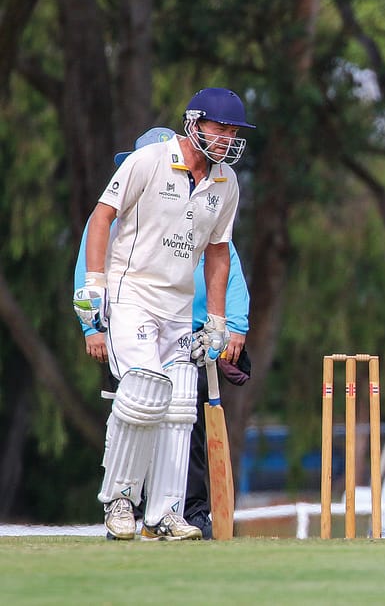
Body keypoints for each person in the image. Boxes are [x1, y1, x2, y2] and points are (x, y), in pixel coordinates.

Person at [73, 88, 254, 540]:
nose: (228, 138)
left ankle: (167, 512)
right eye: (221, 128)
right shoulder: (148, 160)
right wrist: (94, 286)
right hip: (131, 293)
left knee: (179, 406)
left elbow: (218, 253)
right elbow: (100, 218)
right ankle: (120, 501)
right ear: (195, 122)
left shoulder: (226, 183)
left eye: (234, 131)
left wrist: (216, 319)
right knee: (142, 392)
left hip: (177, 306)